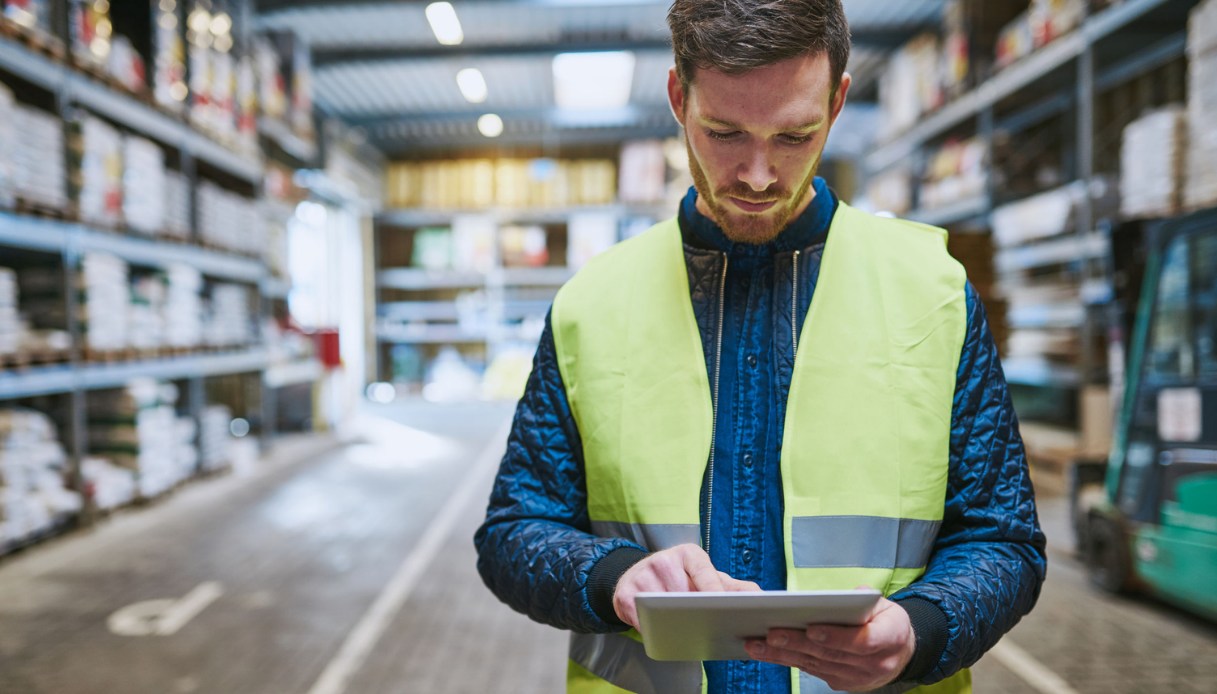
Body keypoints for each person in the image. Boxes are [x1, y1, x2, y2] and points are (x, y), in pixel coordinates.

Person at [474, 0, 1047, 691]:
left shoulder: (934, 296)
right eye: (723, 133)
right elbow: (514, 531)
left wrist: (923, 627)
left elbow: (1002, 538)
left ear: (836, 104)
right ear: (677, 98)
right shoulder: (590, 307)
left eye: (793, 137)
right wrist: (612, 576)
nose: (755, 175)